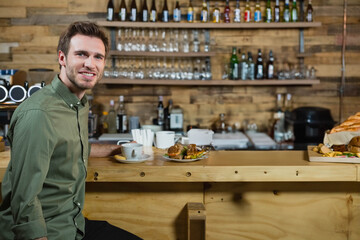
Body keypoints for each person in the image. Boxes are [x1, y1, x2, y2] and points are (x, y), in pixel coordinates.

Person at [0, 21, 142, 240]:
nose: (90, 64)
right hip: (48, 232)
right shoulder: (40, 113)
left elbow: (70, 145)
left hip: (72, 223)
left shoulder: (76, 104)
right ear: (62, 58)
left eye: (98, 57)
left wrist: (118, 149)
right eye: (81, 54)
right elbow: (24, 198)